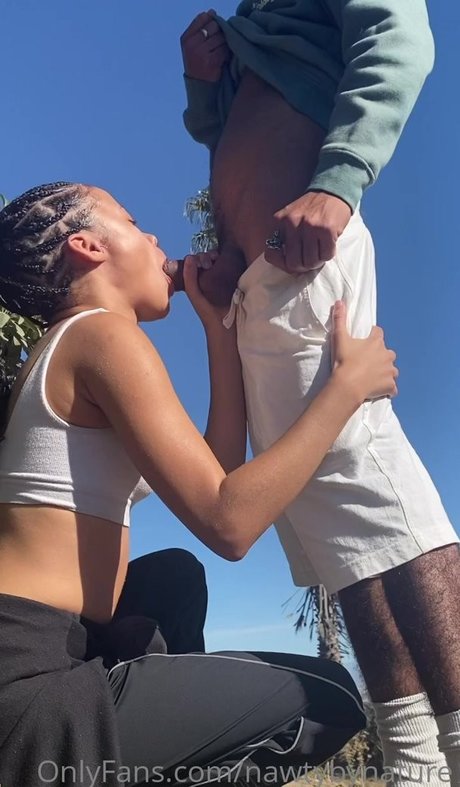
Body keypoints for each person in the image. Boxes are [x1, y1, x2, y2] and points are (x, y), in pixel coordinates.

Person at [0, 182, 397, 786]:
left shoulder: (67, 345)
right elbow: (230, 523)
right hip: (27, 677)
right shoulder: (99, 334)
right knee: (332, 698)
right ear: (88, 246)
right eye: (132, 222)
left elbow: (217, 472)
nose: (154, 237)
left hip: (58, 642)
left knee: (173, 578)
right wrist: (345, 388)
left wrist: (217, 328)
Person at [180, 2, 460, 784]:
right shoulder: (256, 17)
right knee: (337, 530)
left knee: (372, 485)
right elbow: (239, 128)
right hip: (259, 286)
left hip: (302, 262)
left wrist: (338, 184)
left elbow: (400, 37)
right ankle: (416, 766)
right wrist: (206, 87)